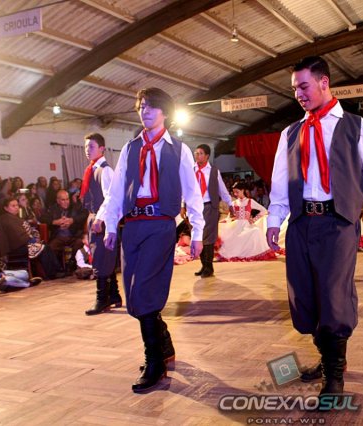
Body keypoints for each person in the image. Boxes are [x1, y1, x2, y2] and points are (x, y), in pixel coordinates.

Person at [266, 56, 363, 402]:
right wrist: (274, 220)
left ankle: (334, 375)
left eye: (304, 86)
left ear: (324, 82)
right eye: (295, 89)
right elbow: (280, 182)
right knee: (305, 295)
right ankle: (327, 359)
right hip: (301, 222)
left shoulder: (357, 127)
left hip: (338, 223)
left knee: (334, 294)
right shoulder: (290, 133)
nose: (299, 94)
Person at [94, 87, 205, 393]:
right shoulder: (130, 148)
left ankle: (154, 360)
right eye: (142, 106)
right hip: (132, 226)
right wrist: (111, 227)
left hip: (160, 225)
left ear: (165, 112)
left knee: (145, 291)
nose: (145, 111)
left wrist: (197, 231)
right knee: (133, 297)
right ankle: (164, 343)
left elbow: (193, 193)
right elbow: (116, 191)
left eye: (152, 107)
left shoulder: (178, 150)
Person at [80, 132, 122, 315]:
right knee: (103, 258)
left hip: (103, 219)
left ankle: (102, 299)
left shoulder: (105, 171)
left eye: (91, 146)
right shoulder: (92, 169)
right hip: (95, 216)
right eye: (86, 146)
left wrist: (99, 219)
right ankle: (114, 295)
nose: (87, 150)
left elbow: (110, 198)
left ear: (102, 148)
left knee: (102, 258)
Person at [193, 144, 233, 278]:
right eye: (196, 153)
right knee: (198, 236)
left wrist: (230, 203)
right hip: (195, 208)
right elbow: (186, 188)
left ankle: (209, 267)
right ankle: (203, 265)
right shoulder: (191, 169)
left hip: (209, 207)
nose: (197, 156)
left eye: (200, 153)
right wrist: (182, 205)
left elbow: (222, 189)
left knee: (208, 238)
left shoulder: (213, 171)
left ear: (207, 156)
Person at [216, 182, 276, 262]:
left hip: (246, 225)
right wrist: (225, 221)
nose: (235, 194)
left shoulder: (250, 201)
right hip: (236, 226)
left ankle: (250, 253)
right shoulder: (234, 203)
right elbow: (230, 216)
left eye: (237, 192)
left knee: (256, 231)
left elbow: (264, 210)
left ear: (242, 190)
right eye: (234, 192)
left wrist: (254, 219)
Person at [42, 189, 87, 272]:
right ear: (58, 201)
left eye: (67, 199)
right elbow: (43, 218)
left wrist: (72, 220)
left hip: (73, 235)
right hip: (59, 236)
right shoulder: (52, 209)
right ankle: (59, 269)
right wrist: (55, 222)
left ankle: (72, 264)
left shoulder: (75, 207)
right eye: (63, 200)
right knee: (50, 248)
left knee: (79, 243)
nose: (66, 202)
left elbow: (84, 214)